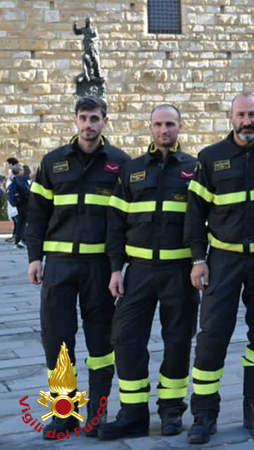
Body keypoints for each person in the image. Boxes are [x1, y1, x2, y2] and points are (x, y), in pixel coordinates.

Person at [184, 93, 254, 444]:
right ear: (231, 117)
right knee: (212, 336)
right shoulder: (211, 157)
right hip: (223, 259)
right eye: (241, 115)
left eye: (253, 114)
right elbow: (195, 212)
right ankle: (204, 413)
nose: (247, 121)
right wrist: (198, 259)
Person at [25, 95, 129, 439]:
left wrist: (117, 267)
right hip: (59, 266)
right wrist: (34, 258)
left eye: (95, 118)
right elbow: (36, 214)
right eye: (83, 118)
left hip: (98, 268)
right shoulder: (54, 162)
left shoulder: (119, 163)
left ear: (105, 121)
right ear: (75, 121)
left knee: (101, 343)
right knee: (58, 342)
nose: (88, 124)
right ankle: (64, 414)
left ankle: (97, 414)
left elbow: (121, 221)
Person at [98, 104, 199, 440]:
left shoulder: (195, 168)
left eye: (170, 124)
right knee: (126, 339)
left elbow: (203, 220)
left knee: (178, 341)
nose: (163, 130)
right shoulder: (132, 170)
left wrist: (201, 261)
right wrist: (115, 269)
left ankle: (171, 411)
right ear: (150, 128)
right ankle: (133, 413)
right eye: (158, 124)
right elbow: (115, 223)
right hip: (138, 272)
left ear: (180, 127)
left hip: (179, 271)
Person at [6, 163, 30, 248]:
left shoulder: (14, 180)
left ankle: (18, 240)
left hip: (19, 204)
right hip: (24, 203)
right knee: (27, 222)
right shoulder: (20, 179)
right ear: (19, 171)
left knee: (20, 223)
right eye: (22, 170)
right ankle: (24, 240)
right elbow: (31, 176)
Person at [4, 157, 19, 244]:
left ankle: (17, 235)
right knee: (15, 218)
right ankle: (15, 234)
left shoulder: (13, 172)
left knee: (17, 218)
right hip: (11, 197)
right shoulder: (10, 172)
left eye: (8, 163)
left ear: (11, 164)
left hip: (14, 198)